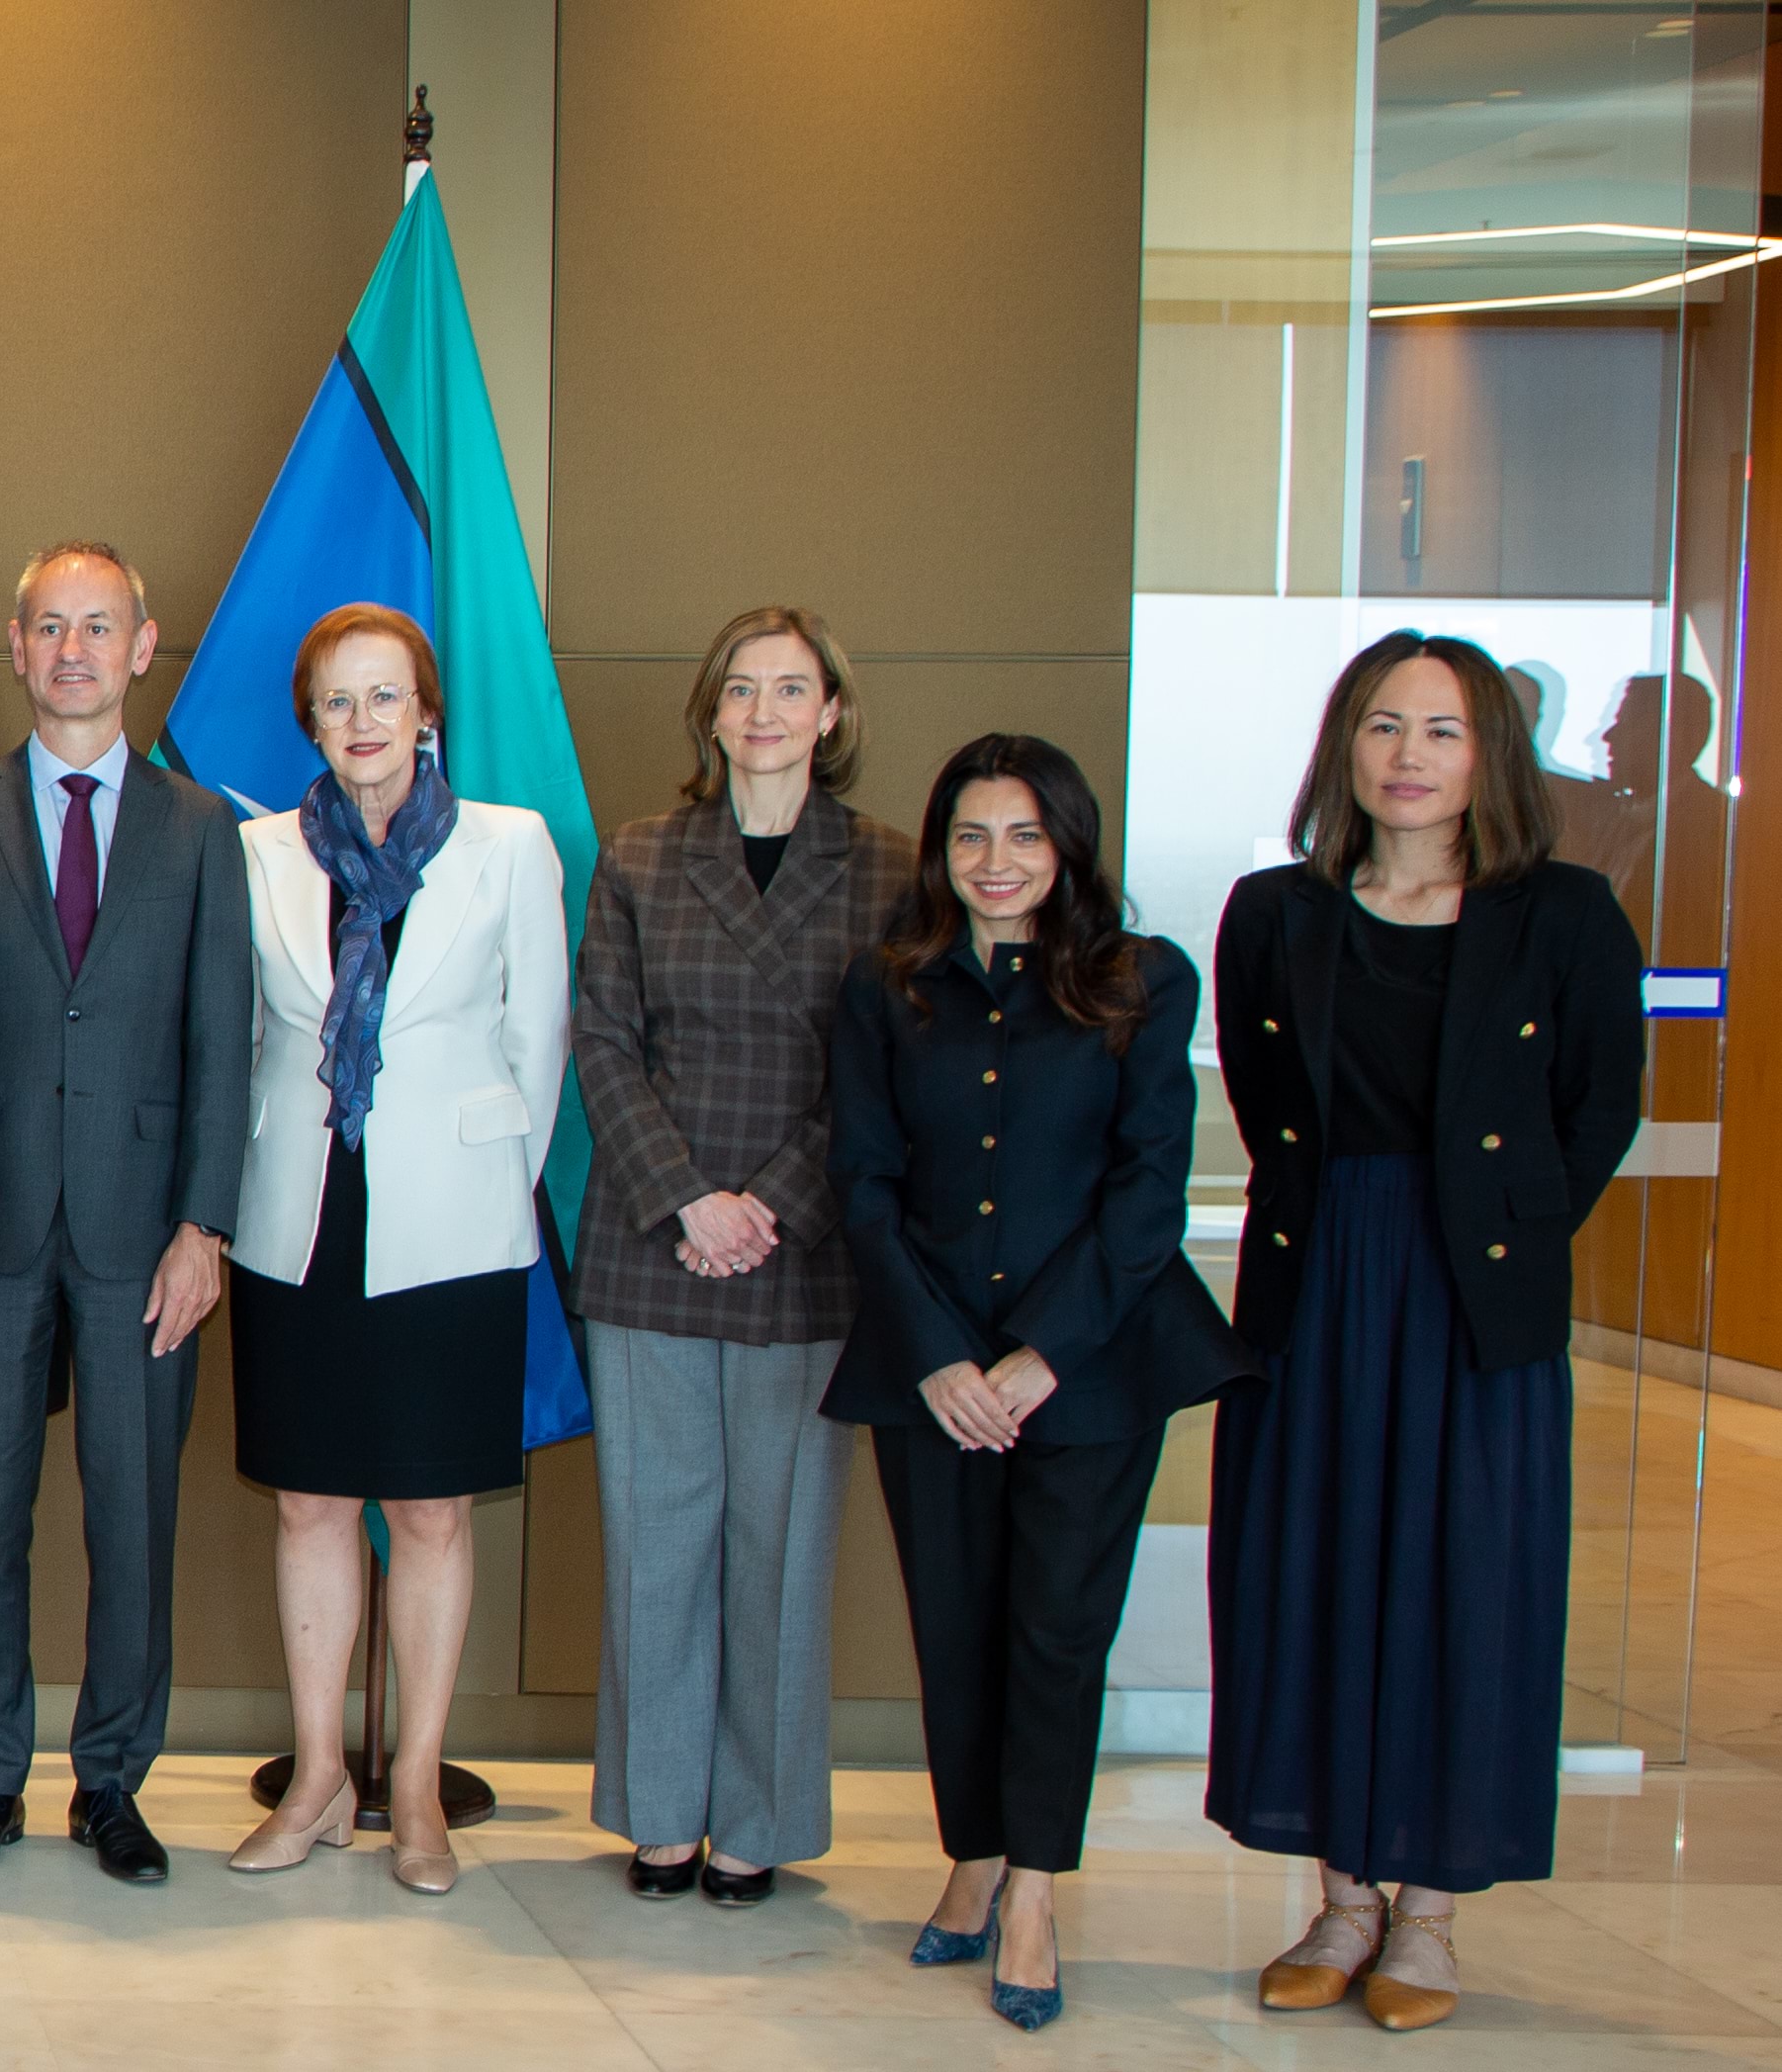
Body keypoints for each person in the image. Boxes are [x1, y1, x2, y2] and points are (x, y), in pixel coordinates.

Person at [1209, 634, 1645, 2032]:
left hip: (1472, 1289)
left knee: (1462, 1577)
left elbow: (1594, 1105)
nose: (1406, 755)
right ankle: (1341, 1898)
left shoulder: (1562, 912)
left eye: (1440, 731)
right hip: (1317, 1278)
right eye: (1381, 725)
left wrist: (1490, 1227)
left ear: (1487, 754)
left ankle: (1430, 1915)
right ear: (1342, 743)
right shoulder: (1273, 910)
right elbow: (1267, 1103)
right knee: (1316, 1570)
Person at [828, 732, 1246, 2031]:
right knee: (951, 1623)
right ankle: (972, 1849)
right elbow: (863, 1183)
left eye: (1019, 835)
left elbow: (1143, 1190)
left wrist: (1036, 1355)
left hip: (1088, 1368)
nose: (991, 861)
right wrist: (945, 1355)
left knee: (1055, 1630)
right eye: (966, 835)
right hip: (930, 1364)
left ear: (1065, 842)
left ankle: (1032, 1890)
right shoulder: (883, 984)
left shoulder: (1138, 980)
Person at [0, 543, 252, 1885]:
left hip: (142, 1229)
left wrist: (201, 1225)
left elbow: (225, 1040)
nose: (70, 650)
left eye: (95, 626)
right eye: (48, 624)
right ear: (14, 638)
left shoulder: (198, 826)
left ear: (140, 644)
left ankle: (111, 1777)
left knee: (132, 1515)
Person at [564, 607, 911, 1906]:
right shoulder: (643, 857)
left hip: (802, 1251)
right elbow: (599, 1038)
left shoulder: (887, 869)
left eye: (790, 688)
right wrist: (684, 1199)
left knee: (779, 1546)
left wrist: (766, 1200)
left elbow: (885, 1067)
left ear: (829, 712)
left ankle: (756, 1819)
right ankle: (656, 1810)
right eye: (738, 689)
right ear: (707, 715)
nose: (762, 710)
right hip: (651, 1248)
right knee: (655, 1542)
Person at [220, 601, 565, 1901]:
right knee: (307, 1498)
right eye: (333, 702)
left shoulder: (505, 847)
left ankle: (412, 1776)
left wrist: (479, 1185)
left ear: (426, 713)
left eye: (383, 698)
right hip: (295, 1216)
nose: (359, 723)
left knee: (426, 1507)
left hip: (450, 1228)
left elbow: (537, 1037)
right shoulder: (256, 852)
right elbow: (245, 1029)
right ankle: (318, 1771)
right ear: (306, 720)